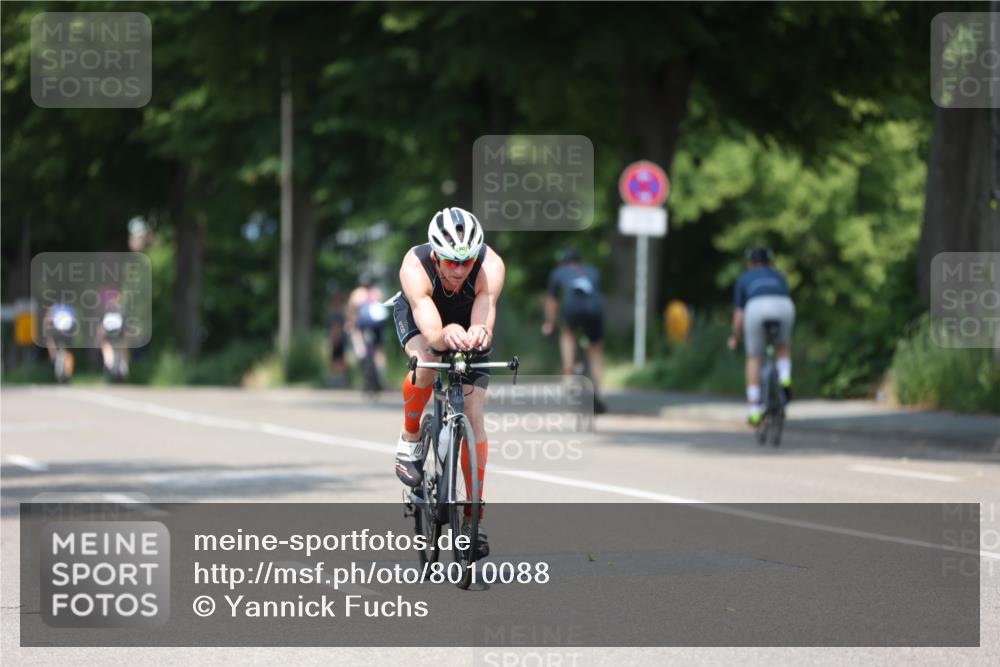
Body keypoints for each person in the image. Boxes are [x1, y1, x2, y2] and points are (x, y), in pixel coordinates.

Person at [391, 206, 505, 557]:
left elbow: (484, 324)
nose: (458, 270)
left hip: (466, 320)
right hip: (424, 318)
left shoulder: (491, 267)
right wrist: (445, 334)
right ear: (436, 256)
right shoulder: (414, 267)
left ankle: (473, 517)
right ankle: (410, 439)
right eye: (450, 262)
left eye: (466, 262)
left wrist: (477, 334)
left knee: (473, 415)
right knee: (427, 360)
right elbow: (431, 331)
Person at [727, 245, 795, 425]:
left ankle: (754, 411)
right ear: (769, 262)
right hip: (784, 305)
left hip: (756, 307)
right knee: (783, 345)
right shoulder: (779, 275)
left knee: (754, 358)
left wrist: (735, 337)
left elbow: (739, 314)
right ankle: (785, 377)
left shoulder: (744, 278)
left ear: (750, 262)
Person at [541, 247, 607, 413]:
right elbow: (598, 293)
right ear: (580, 261)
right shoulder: (592, 270)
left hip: (573, 307)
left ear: (563, 262)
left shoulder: (559, 271)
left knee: (567, 333)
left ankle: (568, 374)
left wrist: (550, 322)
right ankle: (599, 392)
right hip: (595, 308)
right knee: (596, 349)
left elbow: (552, 300)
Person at [345, 273, 388, 389]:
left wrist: (350, 324)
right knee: (379, 349)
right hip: (378, 325)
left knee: (357, 336)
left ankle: (361, 354)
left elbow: (351, 312)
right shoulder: (377, 292)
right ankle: (380, 376)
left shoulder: (356, 294)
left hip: (363, 325)